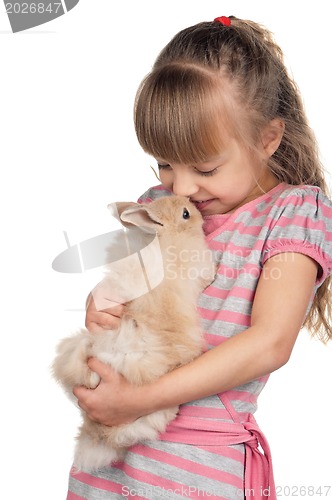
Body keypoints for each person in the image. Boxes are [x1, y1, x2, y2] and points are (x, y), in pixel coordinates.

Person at [66, 15, 332, 499]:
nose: (182, 187)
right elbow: (132, 292)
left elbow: (270, 342)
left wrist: (139, 401)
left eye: (205, 167)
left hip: (198, 474)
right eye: (165, 162)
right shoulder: (160, 205)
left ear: (268, 139)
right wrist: (102, 303)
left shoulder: (293, 213)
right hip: (108, 466)